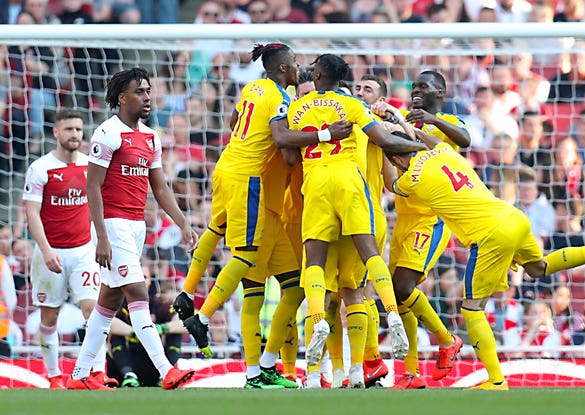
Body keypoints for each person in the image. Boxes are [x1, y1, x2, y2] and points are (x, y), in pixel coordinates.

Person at [383, 131, 585, 390]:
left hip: (488, 235)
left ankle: (496, 381)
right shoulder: (443, 151)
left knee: (471, 309)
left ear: (396, 159)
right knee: (540, 268)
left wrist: (379, 147)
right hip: (512, 216)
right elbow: (431, 141)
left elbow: (392, 185)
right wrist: (411, 129)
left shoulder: (412, 177)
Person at [174, 44, 352, 371]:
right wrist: (325, 135)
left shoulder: (252, 87)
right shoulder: (282, 100)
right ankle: (204, 317)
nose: (299, 69)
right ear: (284, 69)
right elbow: (284, 145)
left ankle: (261, 364)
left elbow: (233, 121)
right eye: (296, 64)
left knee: (290, 285)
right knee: (246, 259)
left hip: (232, 173)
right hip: (253, 186)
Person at [287, 53, 426, 386]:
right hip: (352, 186)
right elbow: (385, 142)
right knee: (363, 274)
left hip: (316, 184)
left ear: (317, 75)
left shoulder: (296, 108)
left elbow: (289, 154)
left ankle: (319, 336)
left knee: (316, 267)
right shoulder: (353, 107)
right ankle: (391, 313)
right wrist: (421, 145)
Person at [67, 68, 198, 390]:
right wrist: (100, 236)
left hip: (135, 225)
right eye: (140, 91)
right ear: (122, 97)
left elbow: (161, 187)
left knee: (109, 300)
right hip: (112, 224)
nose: (148, 97)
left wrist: (183, 224)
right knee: (137, 292)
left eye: (149, 91)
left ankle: (81, 375)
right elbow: (92, 187)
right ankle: (167, 370)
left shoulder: (150, 137)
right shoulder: (106, 134)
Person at [372, 70, 469, 388]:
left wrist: (424, 119)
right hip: (404, 217)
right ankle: (410, 374)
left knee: (401, 287)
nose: (416, 91)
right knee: (401, 299)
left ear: (440, 91)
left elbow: (462, 142)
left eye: (424, 87)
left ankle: (446, 340)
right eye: (413, 87)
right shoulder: (411, 127)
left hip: (431, 219)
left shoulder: (449, 122)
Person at [22, 109, 114, 389]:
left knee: (94, 310)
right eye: (69, 129)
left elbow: (97, 205)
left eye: (78, 129)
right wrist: (46, 250)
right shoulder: (41, 168)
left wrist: (99, 237)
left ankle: (97, 373)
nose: (74, 134)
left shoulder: (90, 166)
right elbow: (32, 213)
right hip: (51, 254)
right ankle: (54, 377)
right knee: (49, 317)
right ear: (56, 133)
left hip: (84, 251)